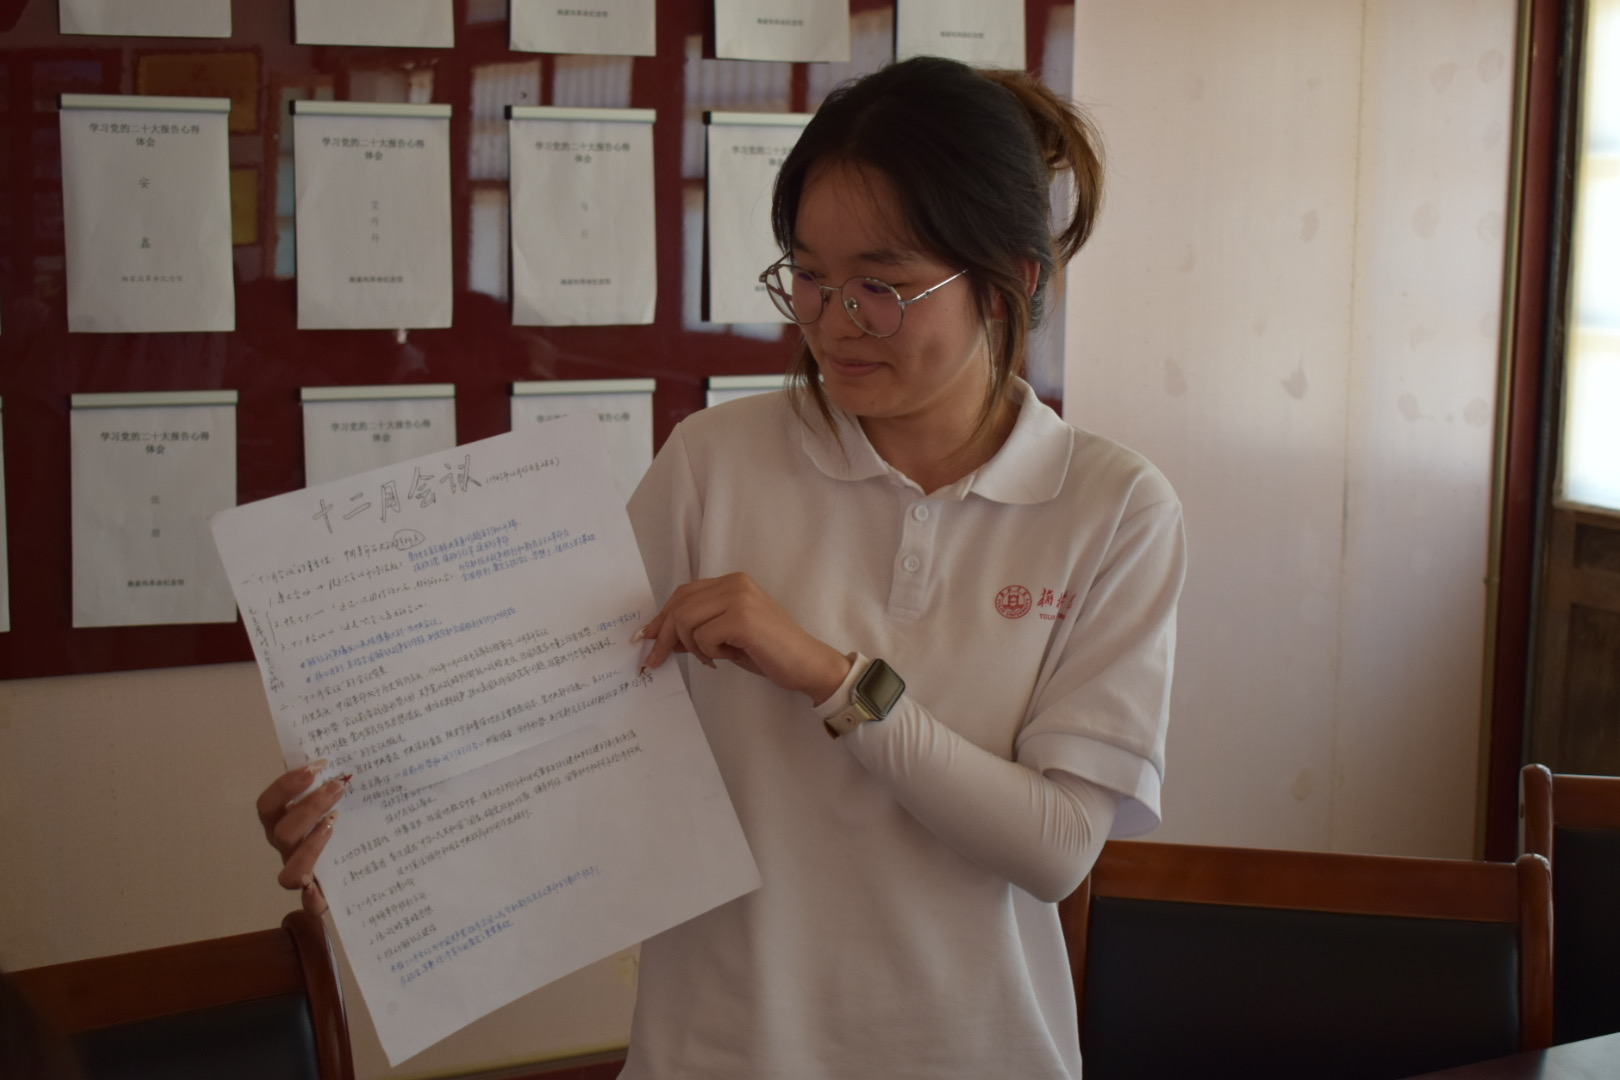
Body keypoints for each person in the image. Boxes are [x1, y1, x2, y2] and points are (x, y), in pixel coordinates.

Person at [258, 55, 1185, 1079]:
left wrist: (832, 679)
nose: (833, 322)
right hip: (717, 1051)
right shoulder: (715, 463)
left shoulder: (1113, 509)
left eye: (881, 285)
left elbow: (1055, 848)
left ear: (1013, 281)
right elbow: (552, 724)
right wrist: (368, 825)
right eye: (809, 277)